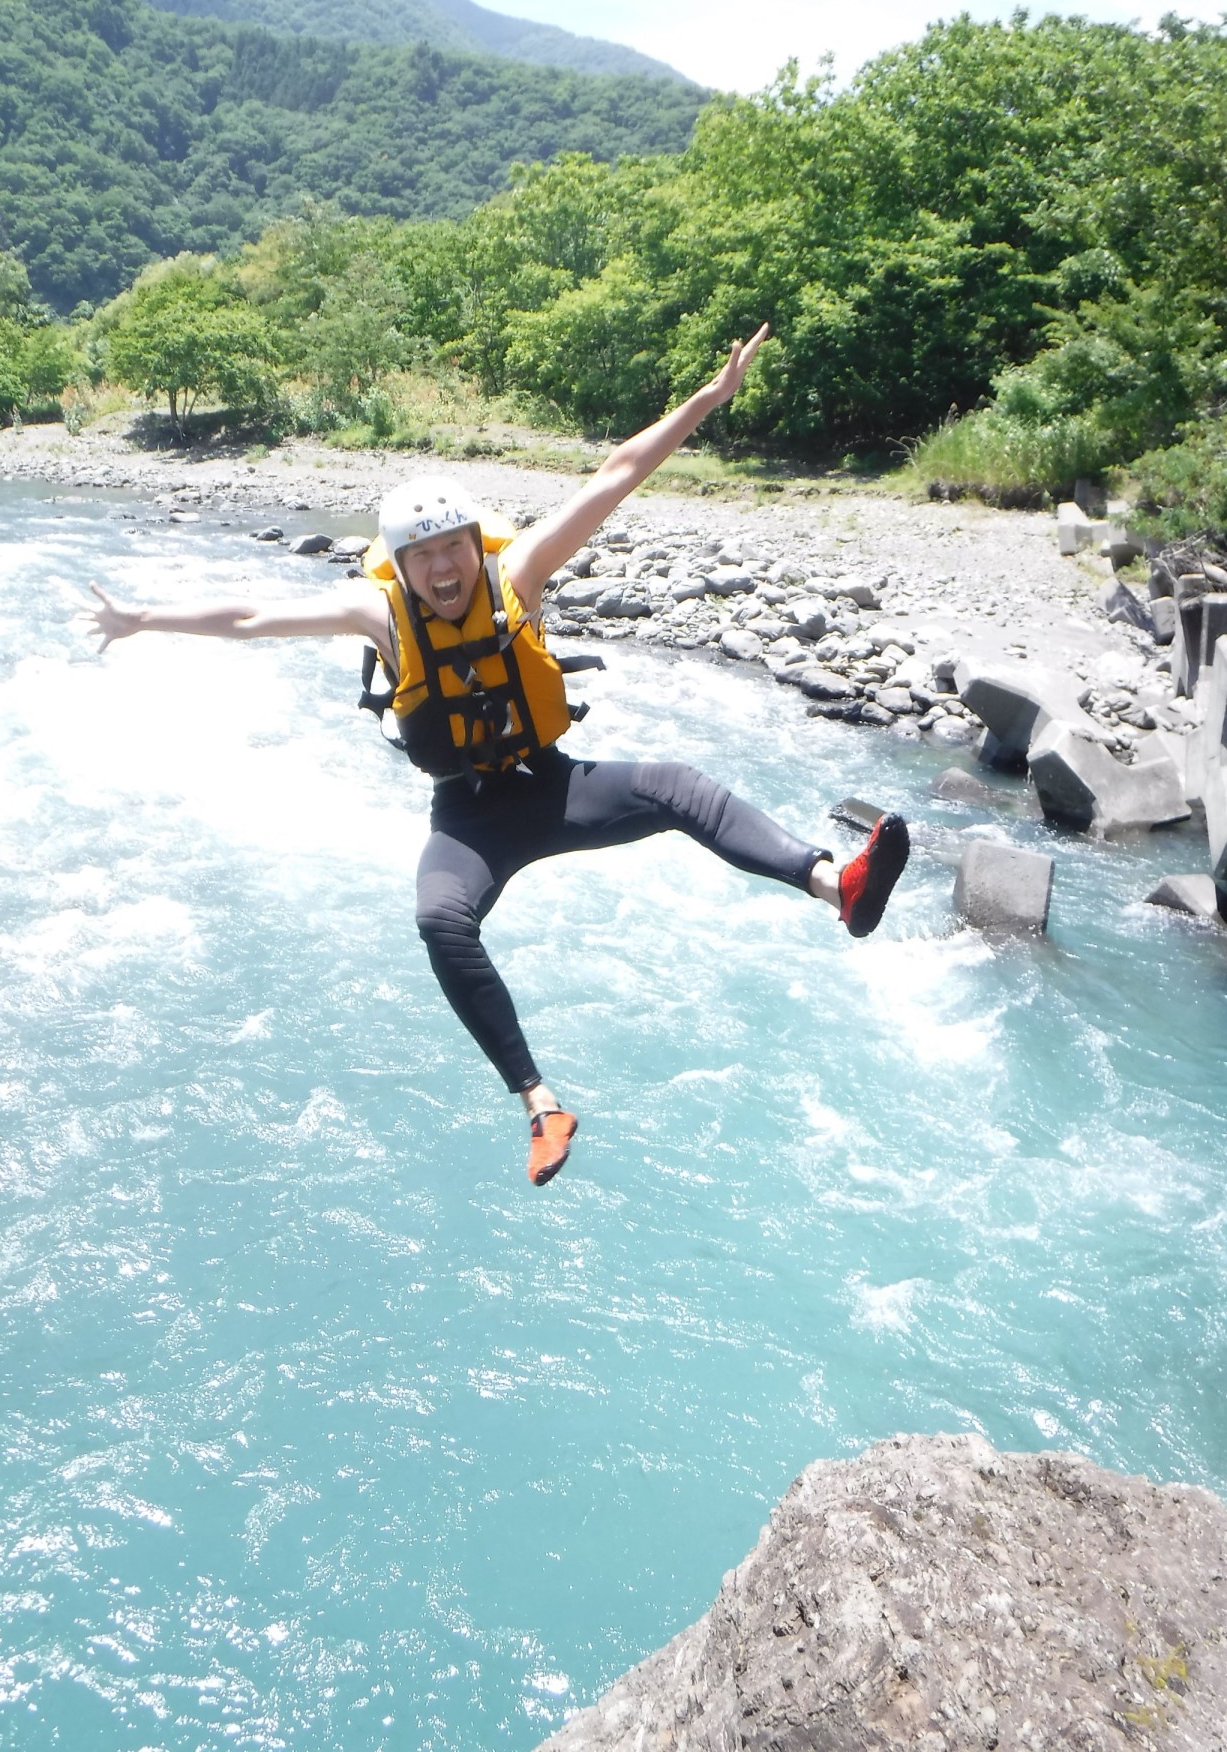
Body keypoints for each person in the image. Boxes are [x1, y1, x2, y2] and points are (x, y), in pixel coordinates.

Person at [86, 329, 909, 1187]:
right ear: (399, 566)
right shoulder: (380, 615)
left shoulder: (519, 575)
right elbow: (251, 619)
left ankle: (836, 887)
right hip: (470, 819)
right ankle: (540, 1105)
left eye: (452, 549)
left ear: (473, 545)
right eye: (422, 556)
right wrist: (142, 620)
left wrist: (707, 399)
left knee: (679, 789)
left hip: (551, 788)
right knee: (440, 920)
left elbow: (615, 477)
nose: (442, 569)